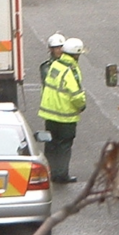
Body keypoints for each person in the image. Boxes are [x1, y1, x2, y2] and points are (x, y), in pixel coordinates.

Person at [38, 37, 87, 184]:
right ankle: (61, 174)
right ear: (76, 55)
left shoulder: (55, 65)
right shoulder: (70, 69)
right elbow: (76, 94)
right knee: (64, 146)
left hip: (49, 114)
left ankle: (49, 172)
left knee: (51, 144)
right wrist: (82, 105)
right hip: (65, 116)